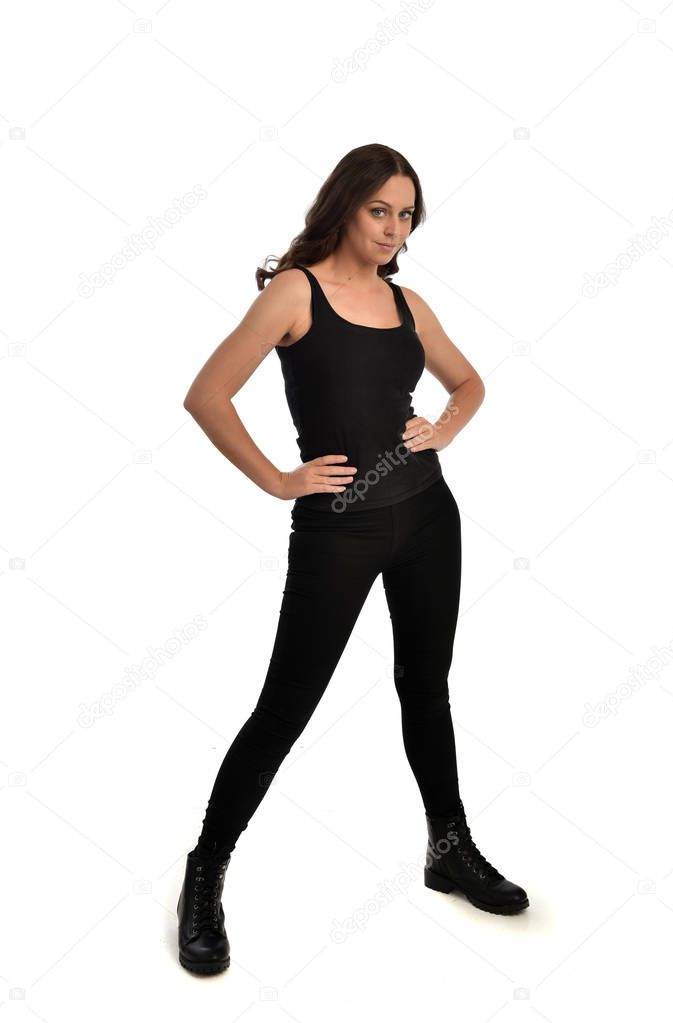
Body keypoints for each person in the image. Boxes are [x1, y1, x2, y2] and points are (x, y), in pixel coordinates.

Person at [176, 143, 529, 976]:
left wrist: (442, 427)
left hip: (427, 516)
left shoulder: (407, 301)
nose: (393, 228)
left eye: (406, 215)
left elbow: (469, 383)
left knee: (425, 686)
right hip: (338, 529)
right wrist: (276, 479)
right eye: (380, 210)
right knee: (285, 708)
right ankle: (204, 873)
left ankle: (450, 849)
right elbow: (205, 393)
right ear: (344, 206)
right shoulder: (294, 293)